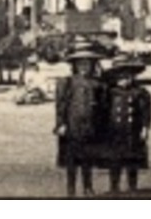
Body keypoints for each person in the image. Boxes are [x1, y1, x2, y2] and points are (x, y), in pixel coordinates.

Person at [54, 38, 107, 197]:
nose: (84, 67)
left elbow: (103, 106)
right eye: (80, 64)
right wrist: (61, 123)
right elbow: (61, 105)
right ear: (74, 65)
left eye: (88, 64)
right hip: (72, 126)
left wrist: (102, 126)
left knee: (88, 159)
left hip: (91, 126)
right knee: (72, 160)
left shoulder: (98, 84)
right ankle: (71, 188)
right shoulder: (68, 83)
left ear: (93, 65)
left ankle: (87, 186)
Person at [100, 56, 151, 194]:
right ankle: (114, 186)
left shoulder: (140, 93)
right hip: (115, 131)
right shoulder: (110, 92)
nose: (125, 79)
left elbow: (146, 111)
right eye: (121, 76)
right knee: (115, 161)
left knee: (132, 160)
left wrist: (145, 127)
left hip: (132, 132)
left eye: (128, 75)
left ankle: (132, 186)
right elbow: (103, 111)